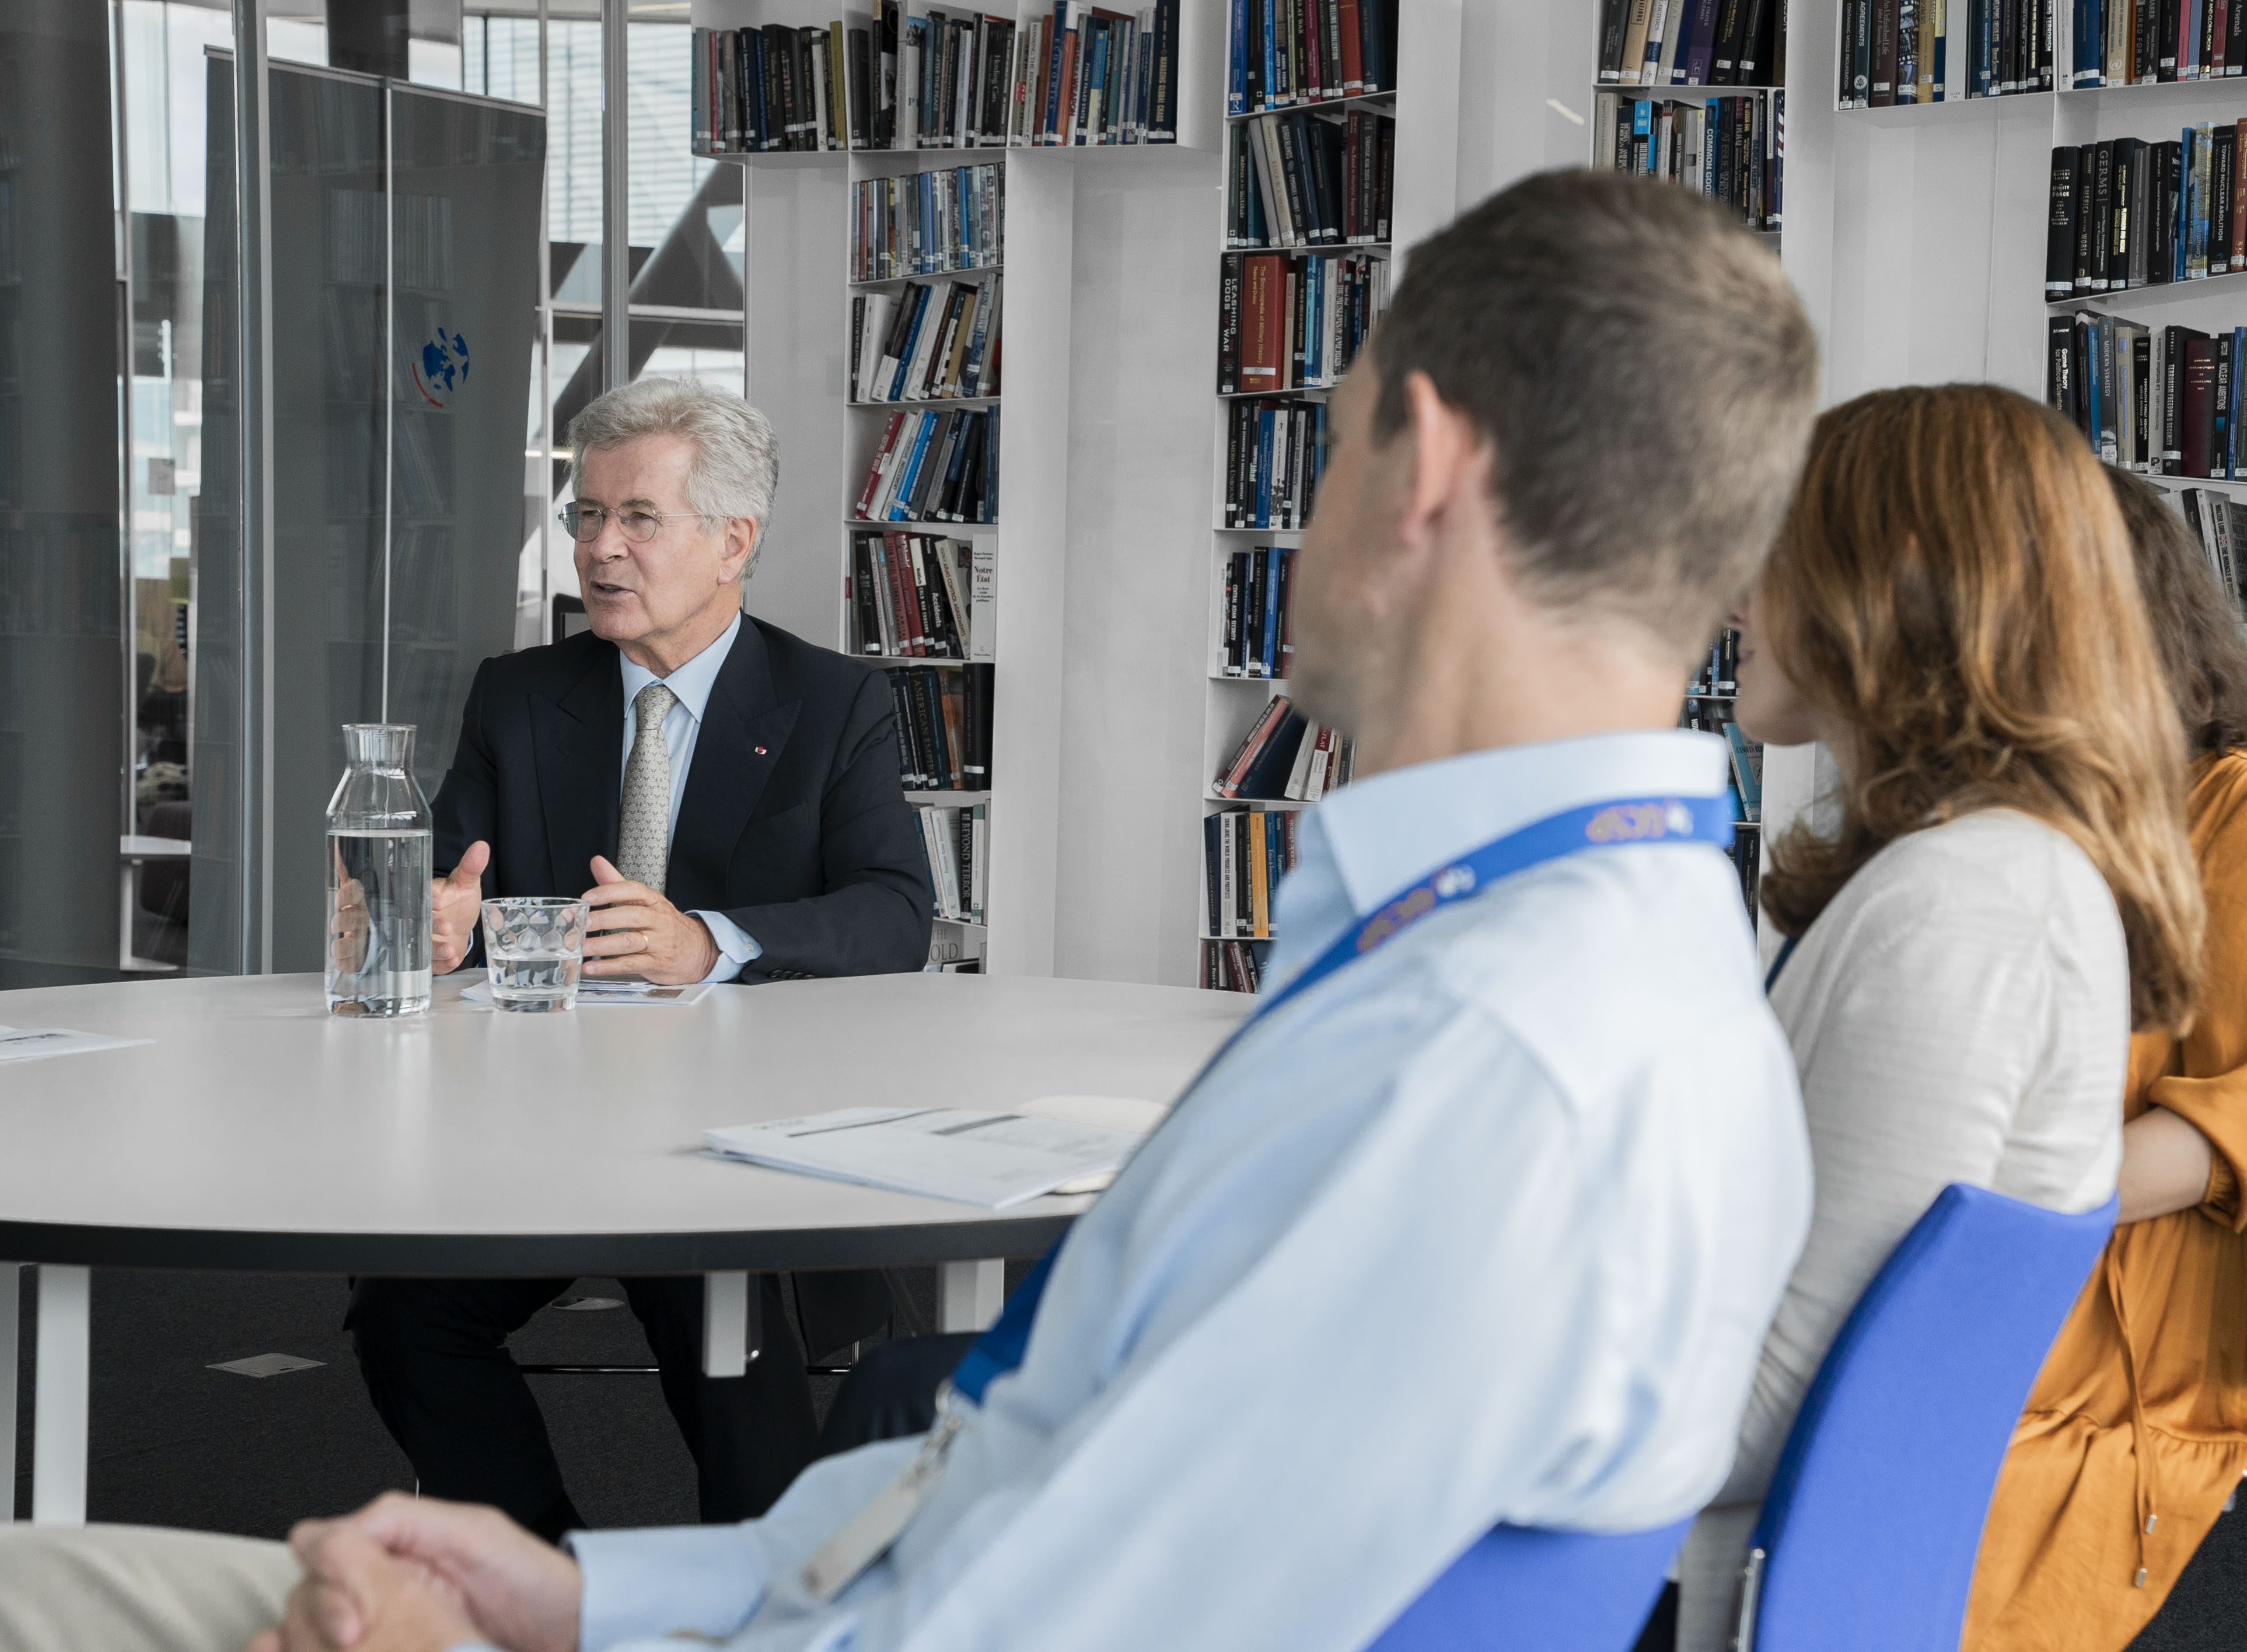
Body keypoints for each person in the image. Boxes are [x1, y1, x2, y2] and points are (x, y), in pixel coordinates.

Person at [0, 170, 1821, 1652]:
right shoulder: (1590, 979)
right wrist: (584, 1593)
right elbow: (1049, 1513)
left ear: (1418, 463)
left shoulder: (1472, 1061)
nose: (1299, 515)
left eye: (1327, 445)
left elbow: (1018, 1621)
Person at [347, 377, 935, 1542]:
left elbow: (892, 913)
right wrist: (430, 927)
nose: (600, 551)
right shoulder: (519, 696)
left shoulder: (832, 702)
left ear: (734, 542)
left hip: (734, 1141)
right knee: (403, 1314)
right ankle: (549, 1574)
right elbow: (451, 884)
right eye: (584, 517)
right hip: (536, 1133)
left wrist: (708, 942)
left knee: (726, 1319)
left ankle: (763, 1599)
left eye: (638, 520)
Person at [1672, 386, 2208, 1652]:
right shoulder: (1970, 880)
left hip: (1683, 1587)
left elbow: (1770, 1409)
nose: (1737, 599)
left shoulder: (1965, 910)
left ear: (1894, 581)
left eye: (1776, 548)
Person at [1959, 471, 2247, 1651]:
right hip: (1997, 1258)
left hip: (2109, 1323)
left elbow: (2211, 1137)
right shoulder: (2009, 826)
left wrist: (1955, 1216)